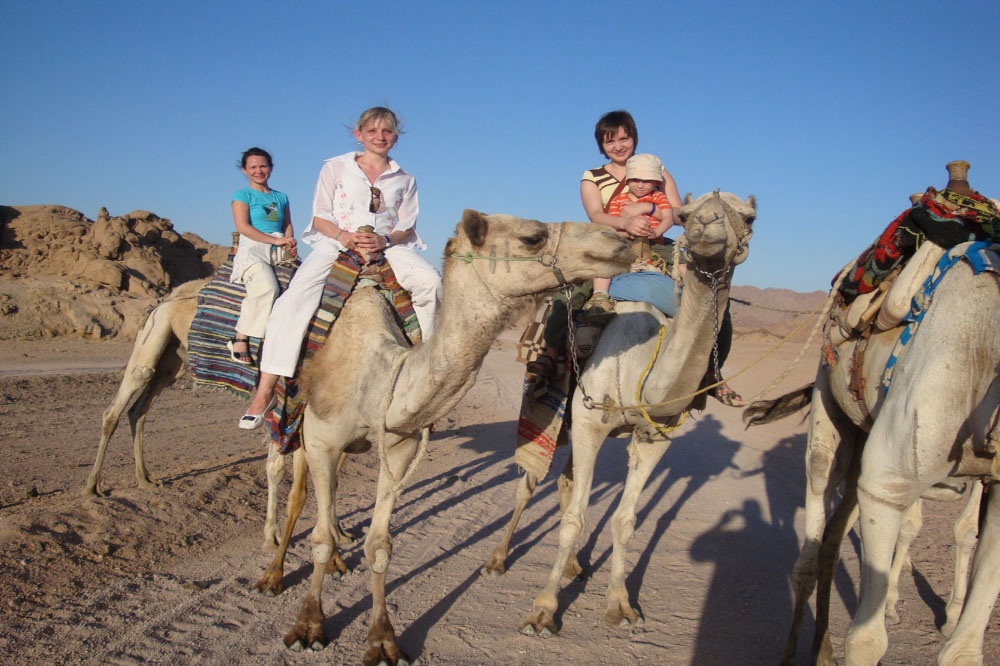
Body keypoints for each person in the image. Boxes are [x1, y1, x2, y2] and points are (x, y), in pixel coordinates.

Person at [239, 107, 442, 430]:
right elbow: (319, 217)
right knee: (292, 301)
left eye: (387, 131)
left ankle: (429, 379)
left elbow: (407, 226)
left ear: (395, 136)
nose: (380, 137)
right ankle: (264, 392)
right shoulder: (335, 167)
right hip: (337, 243)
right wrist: (343, 236)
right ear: (358, 134)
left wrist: (384, 239)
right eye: (372, 131)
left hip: (388, 246)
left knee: (431, 282)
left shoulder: (406, 178)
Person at [228, 147, 297, 365]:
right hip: (254, 246)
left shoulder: (281, 196)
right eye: (253, 167)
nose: (259, 171)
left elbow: (287, 225)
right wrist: (274, 240)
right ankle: (240, 337)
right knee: (268, 287)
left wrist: (289, 242)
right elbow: (243, 227)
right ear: (244, 170)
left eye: (263, 166)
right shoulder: (243, 195)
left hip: (279, 249)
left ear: (271, 168)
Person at [583, 152, 673, 315]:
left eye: (646, 181)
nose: (640, 185)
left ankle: (695, 303)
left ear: (655, 182)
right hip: (624, 241)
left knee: (684, 262)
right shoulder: (619, 199)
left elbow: (669, 218)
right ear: (628, 180)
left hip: (655, 241)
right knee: (604, 259)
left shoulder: (658, 197)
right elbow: (610, 225)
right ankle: (600, 296)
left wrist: (656, 231)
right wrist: (627, 231)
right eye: (635, 180)